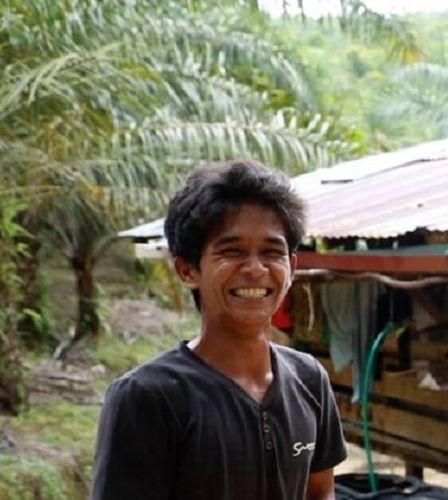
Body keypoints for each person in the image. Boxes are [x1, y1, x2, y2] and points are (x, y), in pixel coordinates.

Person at [91, 160, 347, 499]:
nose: (256, 269)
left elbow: (320, 492)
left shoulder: (308, 378)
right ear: (187, 270)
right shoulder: (147, 396)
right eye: (232, 252)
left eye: (272, 252)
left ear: (292, 266)